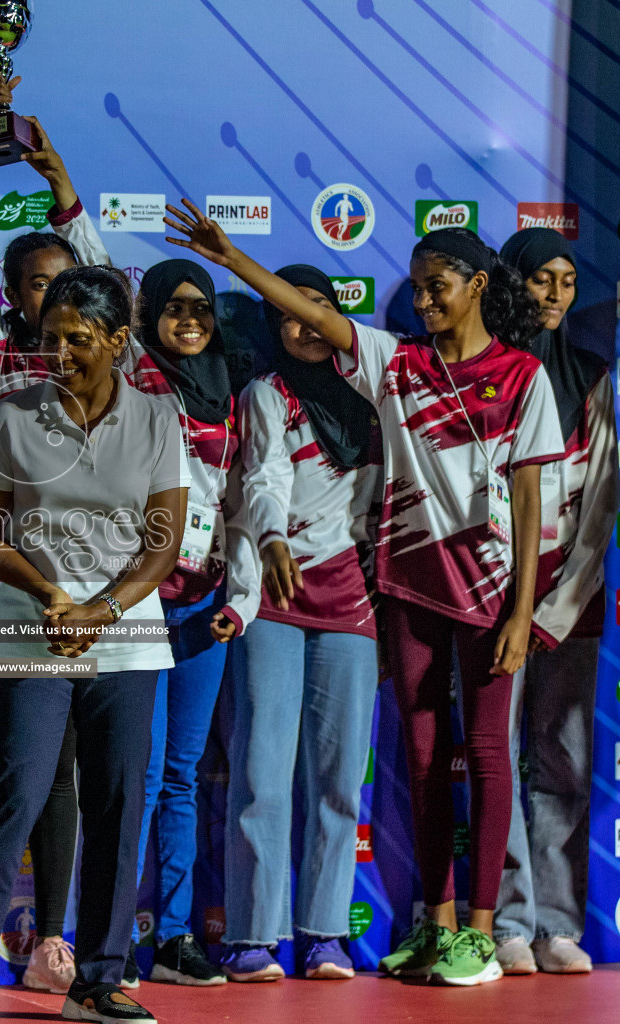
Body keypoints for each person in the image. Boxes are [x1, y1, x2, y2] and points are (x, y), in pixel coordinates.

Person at [167, 203, 563, 988]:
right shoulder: (399, 364)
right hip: (411, 589)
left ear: (478, 284)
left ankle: (480, 935)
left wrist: (524, 609)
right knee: (418, 760)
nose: (423, 301)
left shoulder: (525, 374)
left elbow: (530, 499)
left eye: (438, 286)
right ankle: (435, 926)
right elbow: (313, 316)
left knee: (485, 754)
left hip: (488, 592)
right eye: (416, 289)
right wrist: (232, 258)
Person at [0, 266, 184, 1024]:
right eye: (50, 339)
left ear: (118, 340)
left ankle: (100, 978)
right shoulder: (9, 415)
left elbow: (163, 545)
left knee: (116, 802)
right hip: (30, 626)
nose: (60, 352)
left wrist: (102, 610)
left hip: (128, 636)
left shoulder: (157, 417)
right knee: (13, 790)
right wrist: (51, 595)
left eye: (78, 339)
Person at [0, 70, 112, 995]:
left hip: (76, 586)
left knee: (60, 773)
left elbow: (107, 287)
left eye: (62, 284)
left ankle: (52, 942)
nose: (50, 298)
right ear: (13, 292)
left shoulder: (100, 364)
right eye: (33, 283)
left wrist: (61, 185)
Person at [208, 266, 382, 983]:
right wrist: (274, 536)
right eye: (289, 315)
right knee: (261, 774)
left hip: (353, 603)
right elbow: (264, 475)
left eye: (319, 312)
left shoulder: (374, 396)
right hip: (273, 596)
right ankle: (254, 935)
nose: (306, 327)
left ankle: (326, 933)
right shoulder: (264, 394)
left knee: (339, 779)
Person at [491, 228, 618, 976]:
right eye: (543, 279)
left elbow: (600, 502)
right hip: (495, 598)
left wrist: (555, 606)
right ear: (513, 282)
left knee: (564, 759)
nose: (556, 294)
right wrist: (512, 602)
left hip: (570, 602)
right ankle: (507, 918)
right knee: (496, 757)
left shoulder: (590, 374)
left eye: (569, 281)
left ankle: (557, 922)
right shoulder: (490, 371)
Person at [120, 259, 239, 987]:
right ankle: (110, 941)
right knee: (133, 772)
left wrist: (241, 592)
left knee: (181, 776)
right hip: (136, 597)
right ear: (150, 314)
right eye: (174, 308)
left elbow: (251, 499)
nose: (189, 319)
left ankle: (171, 939)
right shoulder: (135, 375)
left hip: (202, 602)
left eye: (202, 307)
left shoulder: (232, 391)